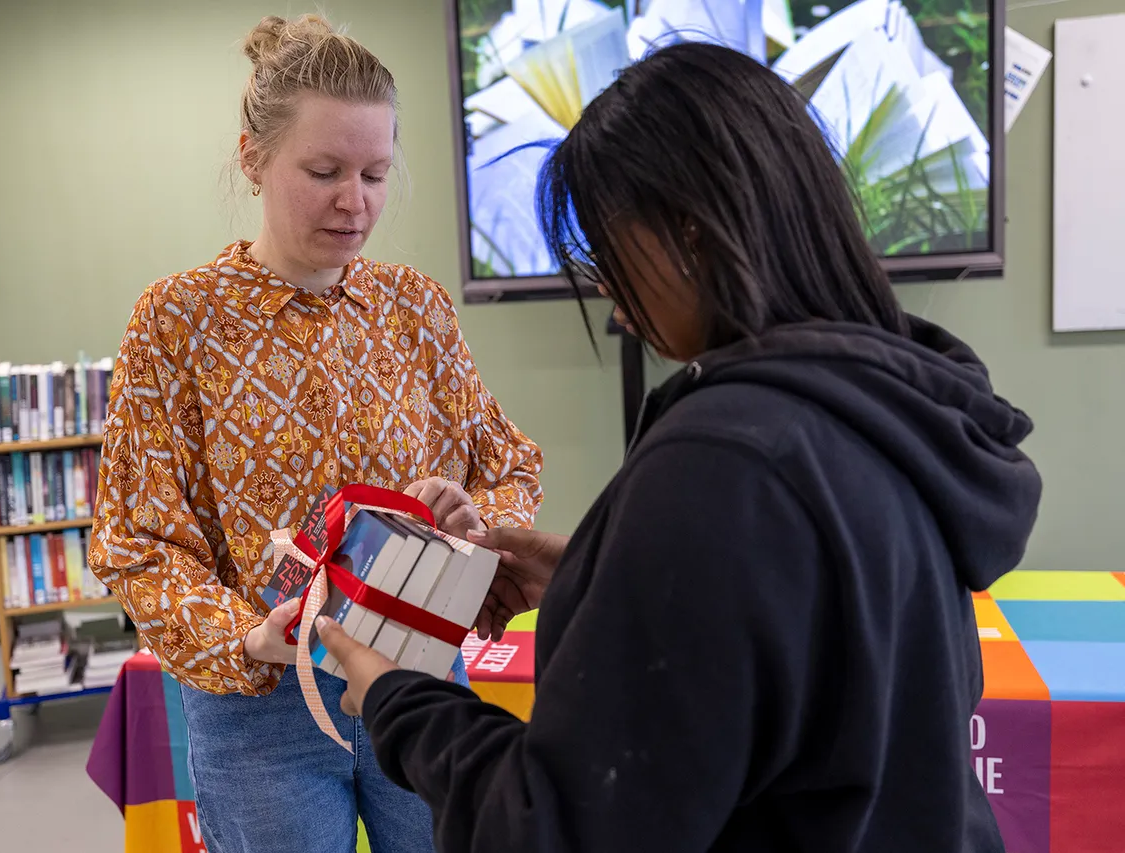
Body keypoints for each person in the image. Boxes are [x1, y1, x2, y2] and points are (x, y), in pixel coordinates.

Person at [317, 41, 1041, 853]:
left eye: (607, 255)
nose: (610, 297)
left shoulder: (723, 462)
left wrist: (398, 696)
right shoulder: (895, 409)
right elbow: (812, 643)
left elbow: (554, 830)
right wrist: (605, 580)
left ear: (689, 235)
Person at [88, 14, 543, 853]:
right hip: (260, 708)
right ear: (253, 158)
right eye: (325, 170)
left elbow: (508, 465)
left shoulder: (416, 309)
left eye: (375, 173)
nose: (356, 201)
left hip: (417, 678)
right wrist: (246, 637)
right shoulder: (178, 320)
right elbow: (136, 539)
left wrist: (474, 518)